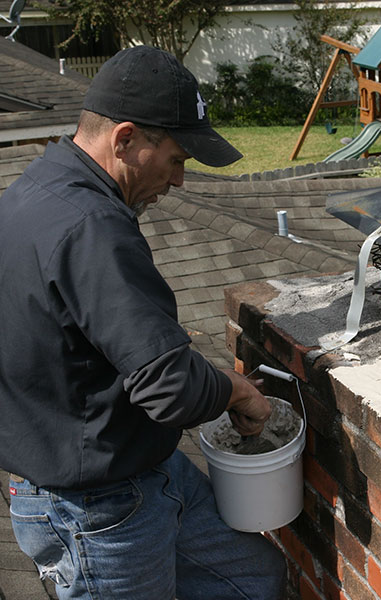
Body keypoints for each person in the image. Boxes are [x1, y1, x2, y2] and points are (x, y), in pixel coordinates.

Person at [0, 46, 287, 599]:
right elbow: (171, 388)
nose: (179, 181)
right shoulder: (93, 228)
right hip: (95, 510)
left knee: (253, 577)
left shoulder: (39, 187)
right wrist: (240, 392)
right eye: (177, 159)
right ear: (126, 139)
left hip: (140, 471)